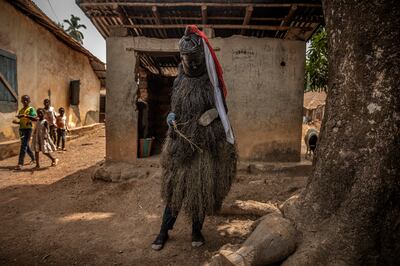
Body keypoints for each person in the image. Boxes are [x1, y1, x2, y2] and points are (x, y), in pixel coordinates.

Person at [151, 25, 237, 251]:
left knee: (199, 191)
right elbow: (175, 108)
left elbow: (222, 109)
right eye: (187, 59)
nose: (192, 64)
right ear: (183, 59)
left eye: (195, 59)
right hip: (180, 143)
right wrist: (171, 118)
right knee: (174, 191)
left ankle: (196, 230)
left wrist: (211, 115)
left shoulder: (211, 82)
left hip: (202, 146)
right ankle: (163, 231)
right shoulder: (179, 80)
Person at [13, 95, 37, 170]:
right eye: (23, 100)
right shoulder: (21, 110)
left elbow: (35, 118)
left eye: (26, 100)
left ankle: (20, 164)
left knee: (23, 146)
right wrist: (17, 122)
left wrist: (25, 115)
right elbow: (22, 122)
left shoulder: (31, 109)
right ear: (21, 101)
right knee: (25, 146)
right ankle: (33, 159)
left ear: (29, 101)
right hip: (22, 130)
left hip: (28, 129)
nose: (25, 101)